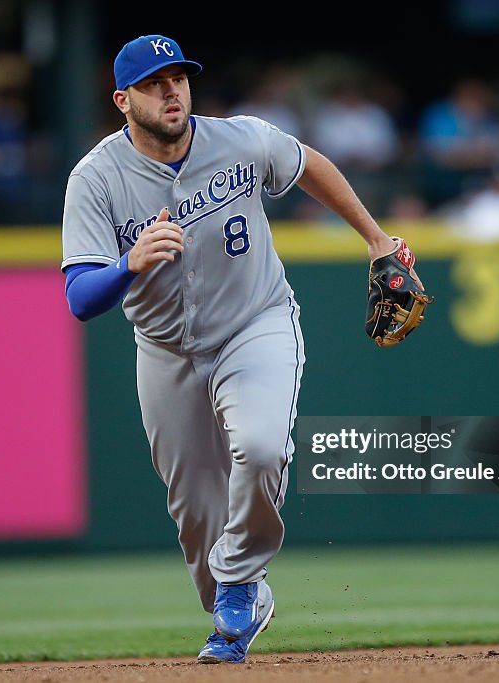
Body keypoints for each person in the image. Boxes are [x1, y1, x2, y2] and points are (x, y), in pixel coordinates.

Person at [60, 34, 424, 664]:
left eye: (178, 78)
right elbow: (81, 298)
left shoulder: (242, 139)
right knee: (195, 511)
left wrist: (375, 239)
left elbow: (308, 163)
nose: (171, 91)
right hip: (165, 350)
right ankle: (238, 595)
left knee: (260, 448)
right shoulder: (95, 178)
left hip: (254, 324)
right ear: (123, 99)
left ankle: (236, 584)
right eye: (153, 83)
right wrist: (127, 263)